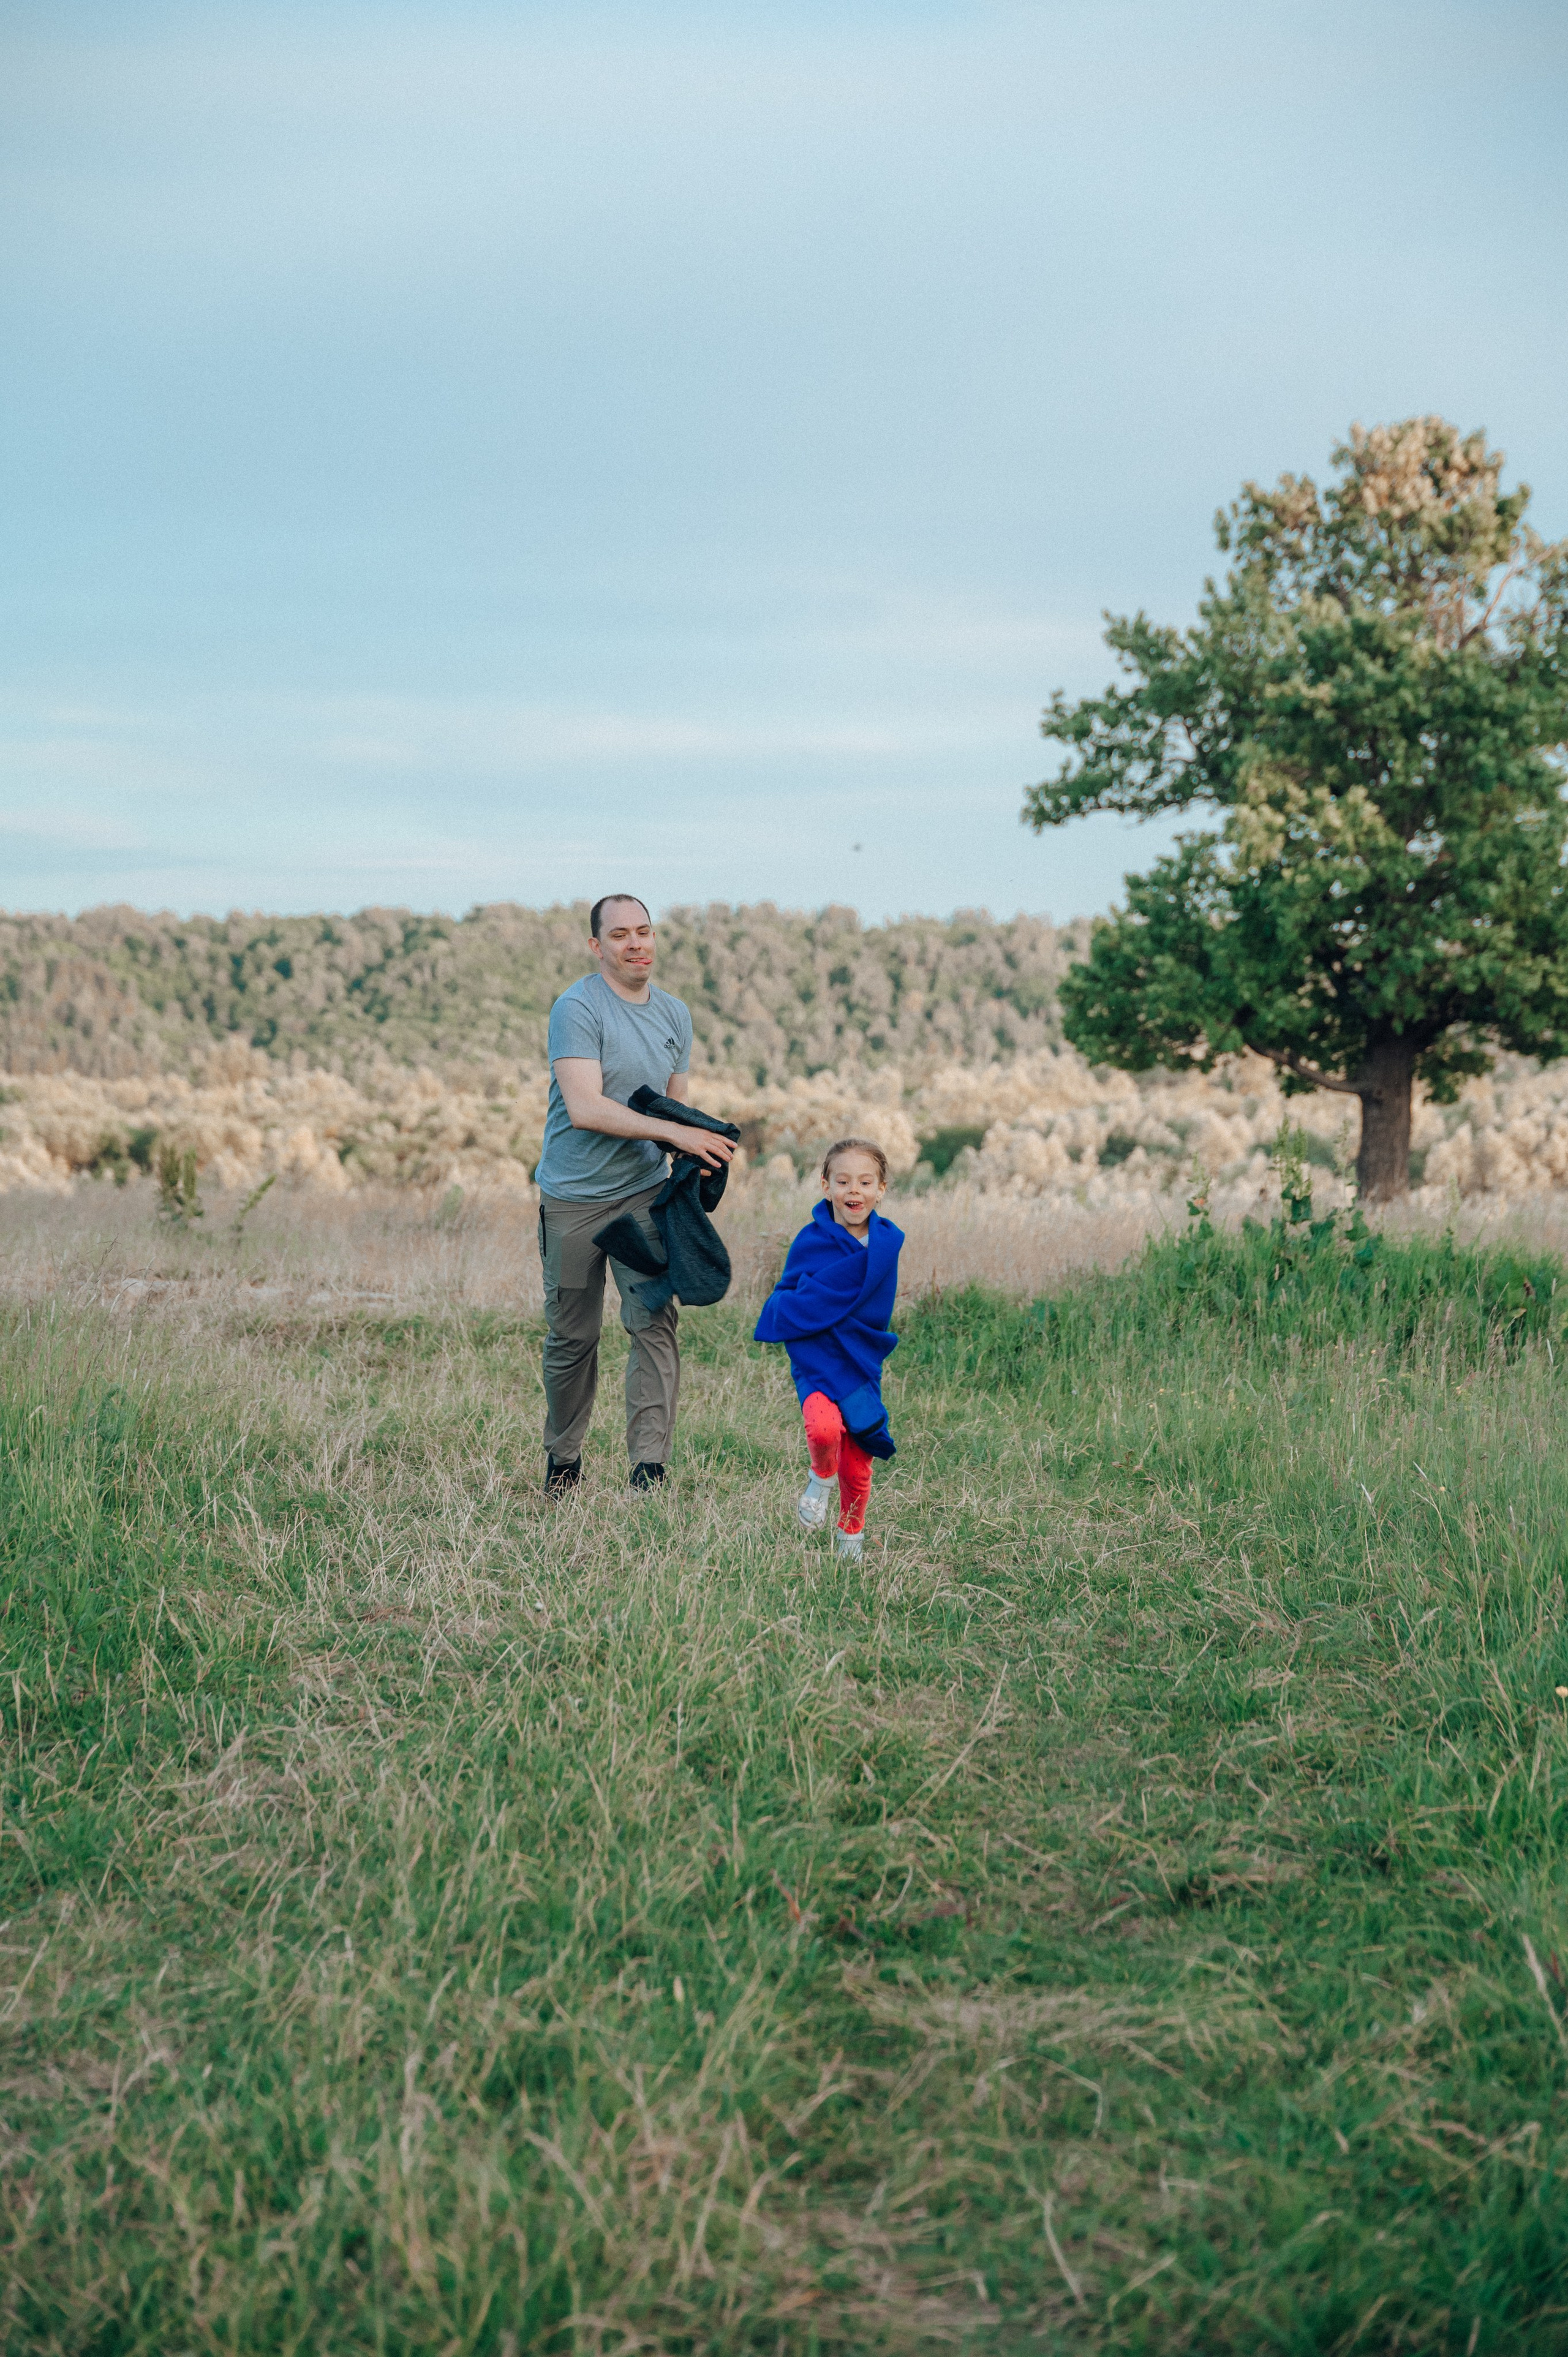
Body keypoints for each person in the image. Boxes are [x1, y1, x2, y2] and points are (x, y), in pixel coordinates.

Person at [535, 894, 735, 1495]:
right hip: (572, 1200)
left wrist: (698, 1151)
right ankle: (563, 1460)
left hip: (642, 1199)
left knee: (653, 1324)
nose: (635, 943)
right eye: (619, 934)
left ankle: (649, 1468)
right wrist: (676, 1130)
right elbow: (586, 1107)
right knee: (573, 1336)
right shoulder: (576, 1007)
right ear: (597, 946)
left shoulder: (674, 1014)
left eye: (643, 931)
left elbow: (671, 1104)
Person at [753, 1137, 903, 1561]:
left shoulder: (886, 1247)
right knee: (823, 1429)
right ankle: (820, 1477)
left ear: (881, 1190)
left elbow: (874, 1311)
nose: (854, 1191)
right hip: (817, 1359)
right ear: (825, 1186)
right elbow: (788, 1294)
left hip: (858, 1360)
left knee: (858, 1460)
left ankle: (850, 1537)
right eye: (843, 1181)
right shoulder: (810, 1241)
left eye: (865, 1182)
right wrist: (793, 1313)